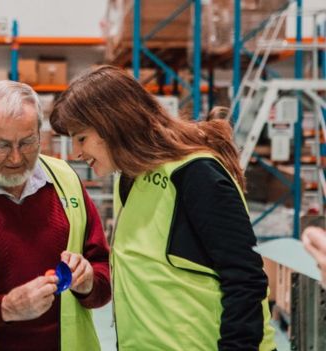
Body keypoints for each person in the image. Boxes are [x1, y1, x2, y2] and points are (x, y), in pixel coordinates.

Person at [49, 65, 277, 351]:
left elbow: (245, 279)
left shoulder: (195, 174)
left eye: (81, 138)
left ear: (113, 124)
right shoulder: (132, 178)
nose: (76, 153)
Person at [0, 80, 111, 351]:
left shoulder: (66, 180)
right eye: (1, 145)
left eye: (27, 143)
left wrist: (87, 284)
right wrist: (5, 308)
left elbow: (102, 276)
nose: (16, 159)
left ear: (40, 133)